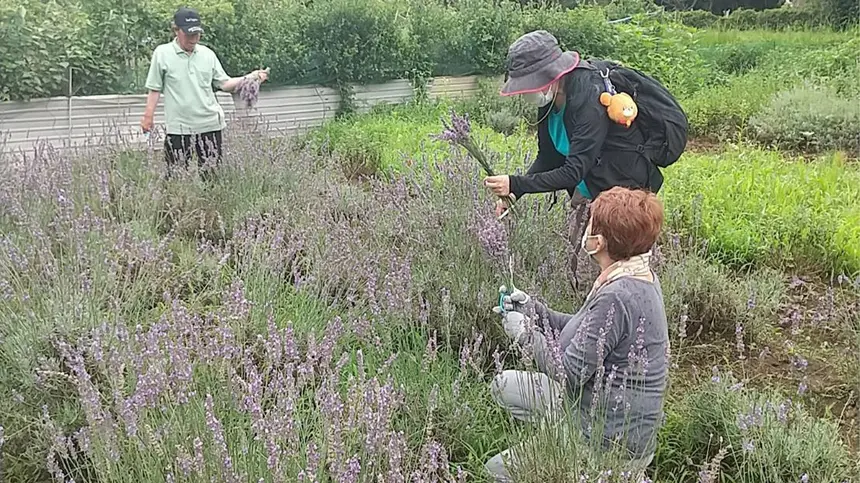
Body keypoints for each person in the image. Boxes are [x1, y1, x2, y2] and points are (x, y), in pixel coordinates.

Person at [484, 186, 670, 482]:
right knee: (503, 385)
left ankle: (574, 463)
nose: (585, 229)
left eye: (591, 225)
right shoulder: (635, 275)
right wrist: (534, 310)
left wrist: (525, 335)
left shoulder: (618, 295)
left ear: (601, 242)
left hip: (606, 443)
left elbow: (569, 373)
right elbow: (587, 332)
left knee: (494, 473)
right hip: (596, 412)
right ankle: (556, 441)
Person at [483, 30, 683, 285]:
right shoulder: (549, 100)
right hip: (589, 191)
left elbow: (573, 171)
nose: (526, 92)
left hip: (621, 197)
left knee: (620, 275)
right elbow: (549, 157)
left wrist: (516, 183)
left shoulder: (589, 96)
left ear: (551, 74)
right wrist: (515, 193)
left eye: (529, 83)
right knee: (579, 269)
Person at [140, 6, 269, 180]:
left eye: (197, 34)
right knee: (175, 178)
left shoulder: (208, 55)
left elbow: (225, 84)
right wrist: (148, 116)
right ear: (176, 30)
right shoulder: (162, 54)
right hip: (179, 128)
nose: (194, 39)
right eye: (189, 34)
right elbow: (154, 87)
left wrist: (251, 77)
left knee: (212, 177)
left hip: (210, 125)